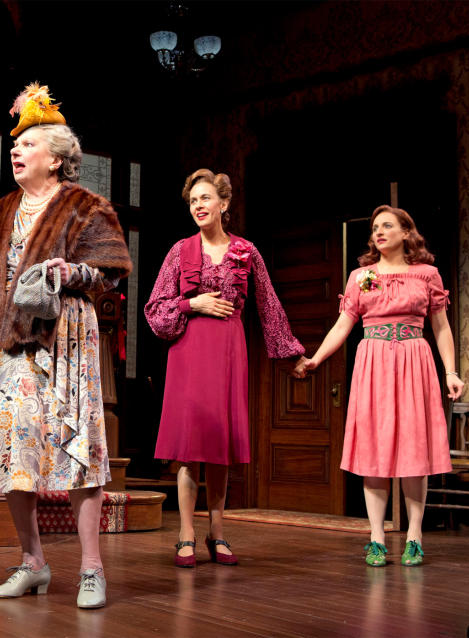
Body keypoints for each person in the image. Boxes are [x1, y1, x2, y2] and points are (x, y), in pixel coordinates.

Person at [0, 83, 131, 609]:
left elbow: (110, 273)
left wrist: (74, 271)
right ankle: (33, 561)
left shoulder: (87, 207)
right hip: (10, 347)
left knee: (77, 452)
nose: (17, 151)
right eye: (17, 146)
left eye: (30, 145)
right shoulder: (0, 213)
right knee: (18, 450)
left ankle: (91, 569)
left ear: (59, 158)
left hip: (66, 342)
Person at [144, 169, 305, 568]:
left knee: (218, 446)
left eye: (205, 198)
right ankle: (185, 533)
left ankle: (218, 531)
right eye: (193, 201)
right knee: (188, 447)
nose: (198, 206)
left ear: (224, 204)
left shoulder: (246, 251)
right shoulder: (180, 251)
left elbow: (268, 305)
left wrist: (291, 354)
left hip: (229, 349)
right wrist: (191, 304)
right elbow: (155, 309)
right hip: (188, 348)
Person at [293, 205, 462, 567]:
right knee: (374, 451)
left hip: (414, 360)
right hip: (373, 363)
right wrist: (316, 358)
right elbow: (344, 324)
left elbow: (441, 327)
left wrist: (450, 371)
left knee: (415, 452)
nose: (379, 232)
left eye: (387, 226)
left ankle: (414, 536)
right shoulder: (364, 277)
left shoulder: (425, 274)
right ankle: (376, 537)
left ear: (406, 232)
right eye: (375, 228)